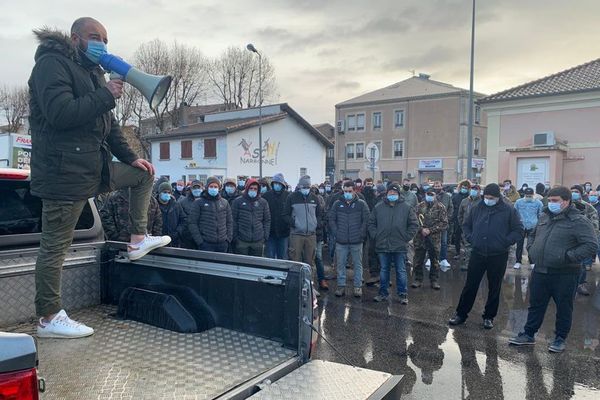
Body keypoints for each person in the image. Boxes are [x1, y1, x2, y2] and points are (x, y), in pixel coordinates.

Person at [28, 18, 171, 338]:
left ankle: (138, 239)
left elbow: (109, 127)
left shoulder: (93, 73)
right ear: (75, 38)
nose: (102, 44)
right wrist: (106, 94)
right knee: (55, 248)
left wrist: (132, 157)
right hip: (62, 173)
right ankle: (48, 318)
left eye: (106, 39)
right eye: (95, 38)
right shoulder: (51, 65)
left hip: (92, 168)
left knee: (142, 175)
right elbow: (60, 113)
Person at [509, 186, 598, 353]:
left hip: (565, 273)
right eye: (549, 200)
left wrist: (568, 256)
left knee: (564, 308)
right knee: (536, 305)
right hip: (541, 271)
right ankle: (528, 334)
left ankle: (559, 339)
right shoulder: (544, 217)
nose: (551, 204)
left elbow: (591, 245)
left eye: (555, 201)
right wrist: (532, 248)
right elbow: (533, 234)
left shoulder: (578, 221)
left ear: (566, 201)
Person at [449, 183, 523, 330]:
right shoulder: (477, 208)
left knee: (494, 287)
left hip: (498, 254)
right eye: (486, 197)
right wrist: (471, 238)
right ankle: (461, 314)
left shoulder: (508, 210)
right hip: (478, 252)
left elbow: (518, 230)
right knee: (470, 285)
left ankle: (489, 316)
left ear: (498, 197)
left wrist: (505, 242)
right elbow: (466, 225)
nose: (488, 200)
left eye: (491, 198)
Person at [369, 183, 419, 304]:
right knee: (384, 270)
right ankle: (383, 293)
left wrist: (406, 237)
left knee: (401, 270)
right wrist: (376, 236)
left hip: (400, 245)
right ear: (387, 194)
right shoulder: (378, 207)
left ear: (398, 194)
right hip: (383, 244)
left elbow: (414, 224)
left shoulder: (406, 207)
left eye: (395, 193)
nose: (392, 195)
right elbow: (371, 223)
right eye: (390, 193)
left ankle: (402, 294)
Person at [329, 181, 370, 297]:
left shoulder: (361, 204)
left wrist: (361, 234)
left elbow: (366, 220)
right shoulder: (337, 204)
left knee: (357, 265)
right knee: (340, 264)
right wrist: (336, 233)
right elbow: (331, 219)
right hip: (341, 241)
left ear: (354, 191)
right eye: (345, 191)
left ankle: (357, 287)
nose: (347, 193)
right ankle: (341, 286)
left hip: (356, 241)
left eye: (350, 191)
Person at [283, 176, 323, 288]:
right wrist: (295, 223)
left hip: (311, 235)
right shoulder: (292, 197)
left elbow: (319, 214)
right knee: (295, 262)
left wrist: (315, 223)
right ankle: (295, 286)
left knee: (310, 263)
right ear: (300, 187)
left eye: (308, 187)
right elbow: (285, 215)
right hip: (296, 235)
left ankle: (310, 287)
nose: (306, 189)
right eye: (304, 187)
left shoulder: (315, 198)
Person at [411, 189, 448, 290]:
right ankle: (418, 279)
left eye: (432, 194)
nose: (430, 196)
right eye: (428, 194)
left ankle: (434, 280)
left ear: (435, 195)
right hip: (420, 238)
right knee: (418, 260)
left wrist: (430, 230)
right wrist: (421, 229)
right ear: (425, 194)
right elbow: (413, 221)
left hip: (434, 239)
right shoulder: (419, 206)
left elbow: (444, 223)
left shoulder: (441, 207)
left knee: (434, 260)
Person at [188, 176, 233, 252]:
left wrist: (228, 239)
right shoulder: (199, 203)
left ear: (219, 188)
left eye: (215, 187)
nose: (213, 188)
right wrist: (200, 241)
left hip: (223, 244)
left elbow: (229, 222)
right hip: (206, 244)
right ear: (206, 187)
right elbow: (192, 223)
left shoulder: (224, 202)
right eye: (211, 186)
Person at [570, 184, 599, 296]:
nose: (574, 193)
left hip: (582, 241)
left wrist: (591, 240)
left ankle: (580, 284)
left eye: (576, 191)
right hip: (568, 240)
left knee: (581, 265)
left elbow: (595, 225)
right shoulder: (566, 206)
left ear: (581, 193)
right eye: (572, 191)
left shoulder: (588, 207)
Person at [231, 179, 271, 256]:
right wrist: (235, 237)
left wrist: (265, 237)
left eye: (255, 189)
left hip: (258, 241)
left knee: (255, 265)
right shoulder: (237, 201)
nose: (253, 190)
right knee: (242, 264)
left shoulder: (263, 202)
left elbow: (267, 220)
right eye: (251, 188)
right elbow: (233, 220)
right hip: (242, 241)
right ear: (247, 188)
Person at [513, 188, 543, 269]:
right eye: (527, 196)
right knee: (519, 244)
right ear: (524, 195)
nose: (528, 197)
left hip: (532, 226)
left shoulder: (538, 203)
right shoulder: (519, 202)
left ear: (533, 195)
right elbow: (514, 213)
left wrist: (539, 225)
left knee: (531, 245)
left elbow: (540, 215)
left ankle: (532, 261)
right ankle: (518, 261)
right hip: (521, 226)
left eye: (530, 196)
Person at [263, 173, 290, 260]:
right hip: (270, 232)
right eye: (275, 183)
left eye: (279, 184)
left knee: (282, 257)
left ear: (282, 185)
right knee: (270, 257)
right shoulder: (266, 196)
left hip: (284, 233)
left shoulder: (288, 196)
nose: (277, 185)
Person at [457, 184, 481, 270]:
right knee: (467, 246)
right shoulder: (464, 201)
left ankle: (477, 264)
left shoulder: (482, 202)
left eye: (476, 189)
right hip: (466, 228)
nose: (474, 191)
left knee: (477, 247)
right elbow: (460, 215)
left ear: (479, 191)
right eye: (472, 189)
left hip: (478, 228)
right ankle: (468, 264)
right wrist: (462, 225)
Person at [156, 182, 186, 247]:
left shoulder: (176, 205)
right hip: (158, 240)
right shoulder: (154, 205)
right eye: (164, 192)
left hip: (173, 240)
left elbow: (183, 220)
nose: (167, 194)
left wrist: (178, 232)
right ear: (159, 192)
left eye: (169, 192)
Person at [433, 181, 453, 269]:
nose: (437, 187)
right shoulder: (431, 196)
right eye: (435, 186)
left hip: (443, 223)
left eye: (438, 186)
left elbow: (451, 208)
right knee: (432, 242)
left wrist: (446, 219)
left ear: (441, 186)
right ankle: (432, 258)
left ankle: (443, 259)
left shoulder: (447, 197)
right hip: (433, 224)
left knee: (443, 242)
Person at [451, 180, 471, 260]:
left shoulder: (470, 197)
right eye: (463, 187)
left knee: (467, 238)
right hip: (457, 220)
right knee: (457, 237)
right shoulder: (455, 196)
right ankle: (458, 252)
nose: (464, 189)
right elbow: (452, 208)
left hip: (468, 221)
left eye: (466, 188)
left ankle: (467, 255)